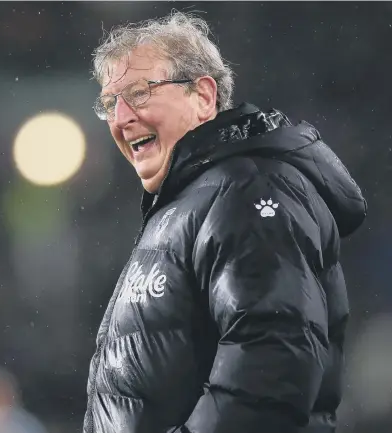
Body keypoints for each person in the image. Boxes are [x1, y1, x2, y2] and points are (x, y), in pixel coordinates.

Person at [83, 11, 367, 433]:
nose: (122, 118)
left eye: (140, 93)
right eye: (111, 103)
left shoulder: (247, 189)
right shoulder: (192, 199)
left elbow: (270, 370)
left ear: (203, 95)